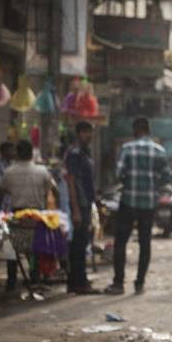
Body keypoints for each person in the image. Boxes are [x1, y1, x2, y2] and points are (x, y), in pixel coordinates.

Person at [105, 117, 171, 295]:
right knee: (144, 243)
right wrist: (153, 186)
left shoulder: (127, 149)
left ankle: (118, 283)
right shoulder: (159, 151)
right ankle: (139, 283)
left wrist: (130, 182)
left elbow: (119, 174)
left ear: (135, 130)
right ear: (148, 130)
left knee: (121, 242)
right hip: (148, 203)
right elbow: (166, 177)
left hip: (128, 201)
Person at [1, 140, 54, 291]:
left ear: (17, 153)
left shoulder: (9, 172)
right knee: (35, 249)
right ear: (32, 153)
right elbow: (50, 190)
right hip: (37, 215)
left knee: (11, 248)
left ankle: (11, 280)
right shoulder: (42, 171)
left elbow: (2, 191)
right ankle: (34, 276)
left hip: (17, 215)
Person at [65, 121, 99, 294]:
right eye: (85, 132)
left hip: (85, 203)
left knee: (82, 243)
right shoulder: (75, 153)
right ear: (78, 133)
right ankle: (78, 282)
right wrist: (76, 210)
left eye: (90, 132)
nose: (89, 135)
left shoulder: (85, 152)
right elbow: (71, 181)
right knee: (78, 244)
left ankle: (78, 280)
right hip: (78, 204)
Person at [0, 141, 15, 211]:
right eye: (10, 150)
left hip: (12, 200)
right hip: (3, 200)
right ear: (3, 152)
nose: (12, 152)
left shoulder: (13, 165)